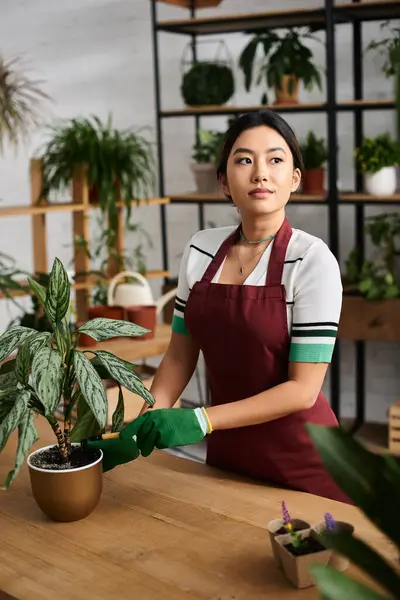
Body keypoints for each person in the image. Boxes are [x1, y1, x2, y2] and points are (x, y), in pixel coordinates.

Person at [88, 110, 350, 504]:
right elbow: (178, 357)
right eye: (244, 160)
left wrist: (202, 418)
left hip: (306, 463)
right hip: (228, 455)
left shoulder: (313, 261)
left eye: (276, 160)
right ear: (225, 181)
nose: (261, 173)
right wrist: (142, 423)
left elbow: (302, 390)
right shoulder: (200, 249)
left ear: (295, 178)